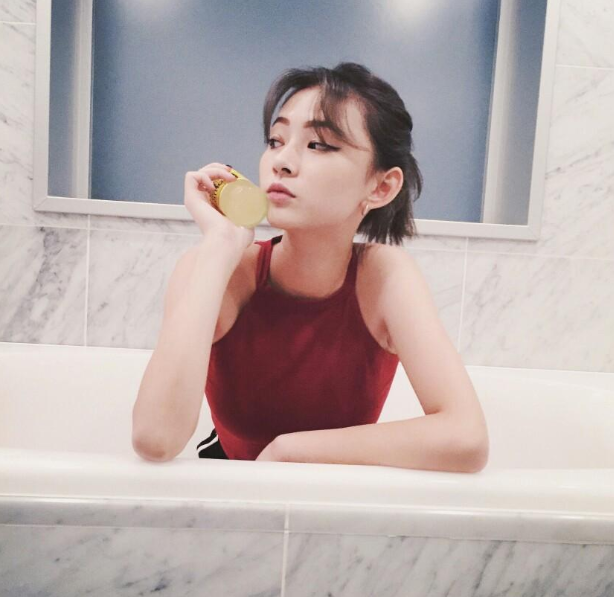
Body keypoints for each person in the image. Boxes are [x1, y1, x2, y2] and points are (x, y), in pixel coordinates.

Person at [132, 62, 483, 466]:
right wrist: (219, 246)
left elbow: (467, 438)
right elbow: (155, 440)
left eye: (318, 145)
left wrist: (288, 451)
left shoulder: (384, 276)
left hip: (328, 493)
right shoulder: (220, 267)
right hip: (231, 486)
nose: (281, 161)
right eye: (275, 140)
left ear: (381, 186)